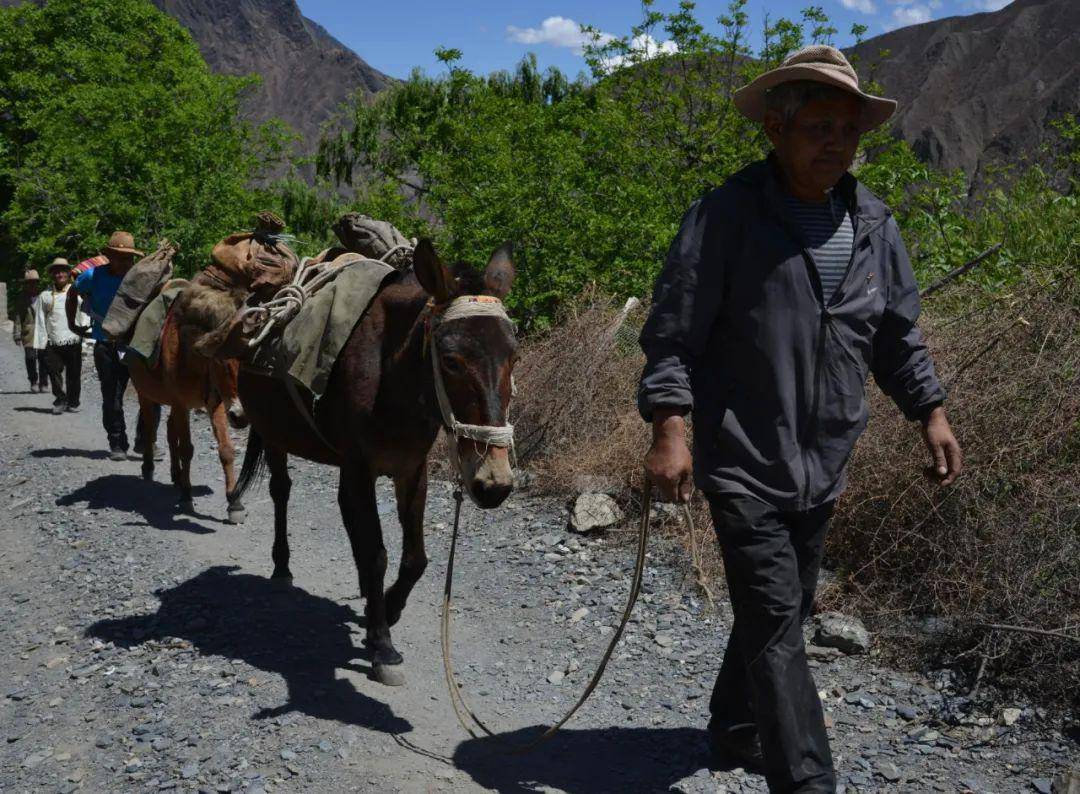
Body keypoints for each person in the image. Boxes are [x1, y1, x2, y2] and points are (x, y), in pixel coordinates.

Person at [637, 46, 963, 793]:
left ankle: (735, 726)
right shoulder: (726, 216)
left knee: (781, 608)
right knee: (781, 623)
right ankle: (807, 782)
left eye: (847, 129)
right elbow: (673, 332)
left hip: (824, 460)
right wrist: (671, 429)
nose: (836, 142)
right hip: (743, 455)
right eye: (818, 126)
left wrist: (931, 413)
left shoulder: (874, 222)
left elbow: (894, 335)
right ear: (775, 130)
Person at [67, 231, 160, 461]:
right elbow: (72, 293)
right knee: (112, 397)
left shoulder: (141, 278)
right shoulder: (93, 276)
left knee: (152, 395)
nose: (124, 261)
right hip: (106, 345)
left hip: (137, 346)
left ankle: (145, 441)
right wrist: (72, 323)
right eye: (119, 256)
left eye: (128, 257)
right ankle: (117, 442)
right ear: (109, 255)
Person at [39, 258, 83, 414]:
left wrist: (85, 334)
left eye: (63, 271)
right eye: (56, 272)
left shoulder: (76, 291)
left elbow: (84, 312)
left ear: (68, 273)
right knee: (53, 371)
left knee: (74, 373)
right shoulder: (45, 296)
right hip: (53, 340)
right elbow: (40, 319)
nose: (60, 275)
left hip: (73, 338)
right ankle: (60, 399)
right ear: (52, 275)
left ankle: (73, 401)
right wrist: (42, 341)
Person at [12, 269, 47, 392]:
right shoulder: (21, 298)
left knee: (43, 358)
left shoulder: (43, 295)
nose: (32, 285)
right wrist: (16, 335)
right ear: (25, 284)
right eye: (29, 283)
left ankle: (43, 382)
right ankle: (33, 381)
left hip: (43, 331)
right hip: (28, 332)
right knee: (30, 357)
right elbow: (17, 317)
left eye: (34, 282)